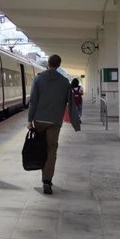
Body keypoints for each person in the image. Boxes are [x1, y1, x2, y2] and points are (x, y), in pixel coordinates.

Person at [27, 54, 79, 194]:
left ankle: (40, 170)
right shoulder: (64, 82)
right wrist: (76, 123)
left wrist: (29, 120)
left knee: (41, 147)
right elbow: (70, 103)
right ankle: (47, 181)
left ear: (48, 63)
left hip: (39, 120)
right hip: (54, 122)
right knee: (51, 151)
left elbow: (33, 101)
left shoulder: (38, 79)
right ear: (59, 65)